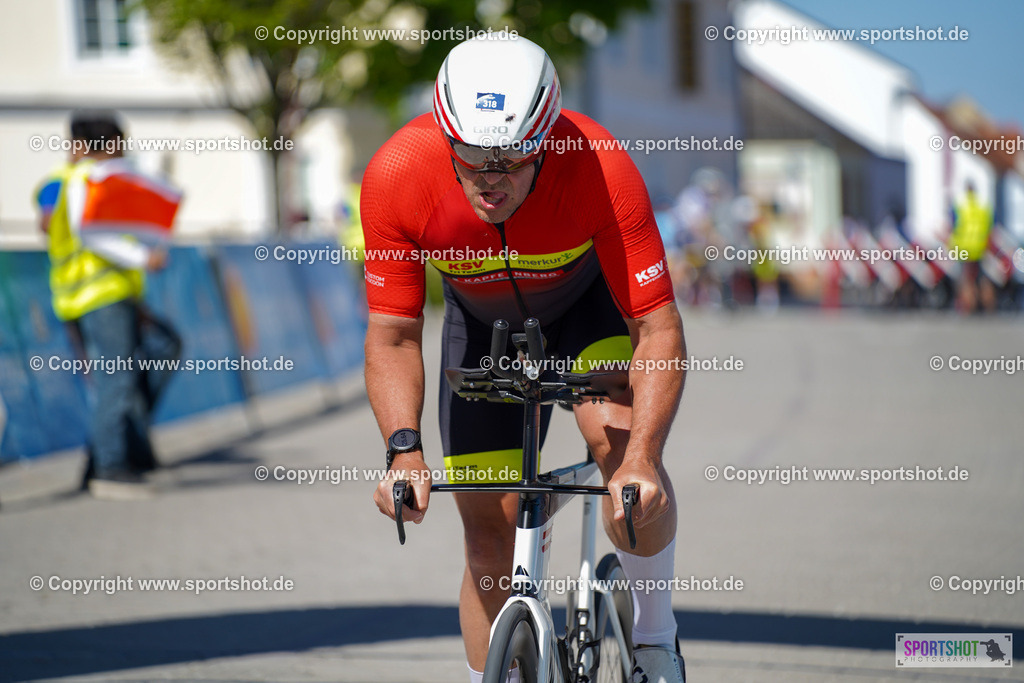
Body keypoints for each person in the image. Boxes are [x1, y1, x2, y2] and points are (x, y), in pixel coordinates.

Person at [364, 36, 687, 682]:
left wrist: (643, 457)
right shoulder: (398, 174)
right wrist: (404, 451)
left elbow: (656, 327)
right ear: (443, 134)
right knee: (487, 536)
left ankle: (656, 640)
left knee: (625, 473)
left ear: (545, 141)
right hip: (482, 328)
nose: (489, 178)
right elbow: (393, 335)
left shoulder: (598, 163)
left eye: (511, 159)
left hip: (584, 310)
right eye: (470, 157)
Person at [42, 111, 181, 500]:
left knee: (147, 360)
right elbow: (91, 236)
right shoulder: (86, 178)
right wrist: (142, 259)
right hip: (97, 296)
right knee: (117, 379)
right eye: (118, 143)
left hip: (113, 294)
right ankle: (109, 467)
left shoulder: (93, 179)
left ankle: (116, 452)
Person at [949, 182, 995, 313]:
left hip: (964, 247)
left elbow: (953, 227)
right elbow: (991, 227)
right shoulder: (983, 206)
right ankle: (988, 306)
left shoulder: (960, 206)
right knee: (983, 278)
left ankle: (968, 307)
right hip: (980, 247)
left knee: (966, 279)